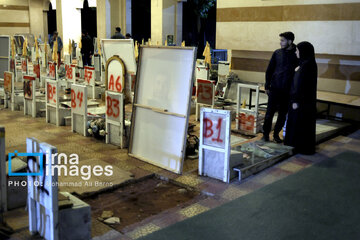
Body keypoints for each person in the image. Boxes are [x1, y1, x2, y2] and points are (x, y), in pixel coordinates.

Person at [262, 32, 298, 143]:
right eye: (280, 40)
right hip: (275, 89)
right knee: (269, 114)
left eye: (283, 40)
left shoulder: (296, 54)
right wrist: (267, 85)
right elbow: (270, 70)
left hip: (287, 91)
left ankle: (276, 134)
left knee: (282, 115)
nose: (280, 42)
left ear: (290, 41)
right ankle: (265, 134)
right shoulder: (277, 53)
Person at [285, 42, 318, 155]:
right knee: (304, 125)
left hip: (300, 102)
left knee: (297, 124)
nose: (296, 52)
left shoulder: (305, 66)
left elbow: (299, 85)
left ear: (303, 52)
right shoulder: (309, 63)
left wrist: (295, 100)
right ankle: (302, 146)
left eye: (297, 50)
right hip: (306, 102)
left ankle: (297, 146)